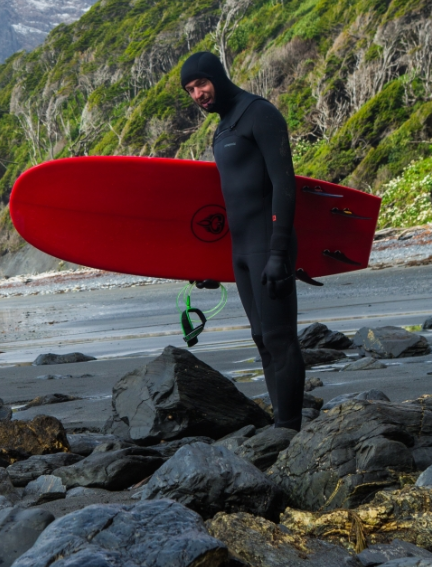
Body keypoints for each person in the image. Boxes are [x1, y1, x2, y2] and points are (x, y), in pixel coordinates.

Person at [180, 51, 305, 431]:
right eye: (190, 90)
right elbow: (228, 203)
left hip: (270, 244)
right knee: (260, 337)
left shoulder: (259, 114)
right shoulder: (223, 128)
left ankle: (289, 428)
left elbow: (285, 184)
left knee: (279, 337)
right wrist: (211, 265)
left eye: (201, 83)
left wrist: (279, 250)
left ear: (216, 76)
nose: (197, 94)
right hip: (241, 251)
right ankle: (281, 424)